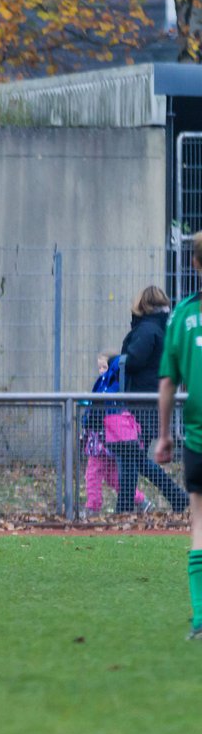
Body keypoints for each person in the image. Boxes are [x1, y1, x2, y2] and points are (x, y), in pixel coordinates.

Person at [155, 238, 202, 640]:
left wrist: (163, 436)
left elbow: (168, 382)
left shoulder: (182, 315)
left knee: (199, 524)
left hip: (196, 440)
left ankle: (201, 619)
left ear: (194, 263)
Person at [107, 285, 188, 515]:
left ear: (142, 305)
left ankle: (173, 496)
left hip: (139, 403)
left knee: (132, 455)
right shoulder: (164, 330)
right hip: (152, 401)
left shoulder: (146, 330)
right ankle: (126, 507)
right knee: (133, 456)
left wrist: (116, 359)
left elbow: (134, 361)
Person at [81, 350, 149, 516]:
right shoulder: (103, 383)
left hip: (104, 438)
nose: (102, 371)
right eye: (99, 368)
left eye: (105, 367)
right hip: (103, 436)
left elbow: (103, 404)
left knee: (93, 473)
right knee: (113, 477)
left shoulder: (115, 384)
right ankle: (140, 500)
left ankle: (93, 507)